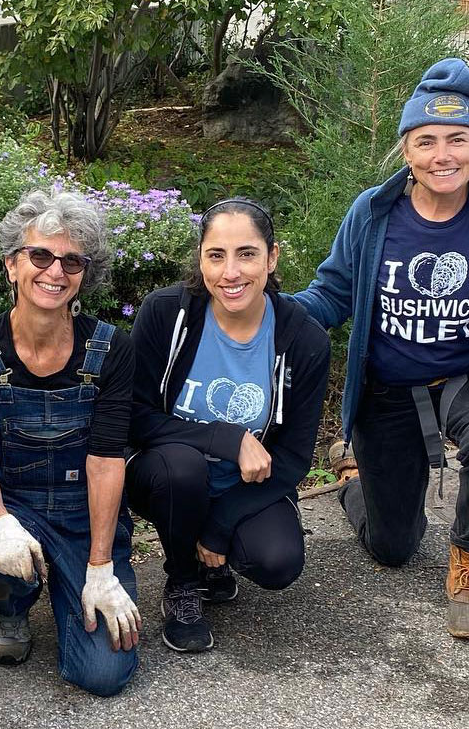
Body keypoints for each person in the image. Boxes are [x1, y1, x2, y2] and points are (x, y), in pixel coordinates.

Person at [292, 58, 469, 640]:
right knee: (392, 547)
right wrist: (265, 311)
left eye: (457, 138)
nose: (442, 154)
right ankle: (355, 480)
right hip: (387, 388)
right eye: (426, 141)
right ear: (407, 151)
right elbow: (331, 294)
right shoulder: (373, 214)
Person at [0, 188, 142, 695]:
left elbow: (105, 459)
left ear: (84, 277)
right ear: (13, 265)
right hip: (14, 505)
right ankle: (10, 607)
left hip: (85, 513)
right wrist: (0, 522)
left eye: (71, 261)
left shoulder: (112, 350)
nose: (55, 271)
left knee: (104, 674)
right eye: (40, 255)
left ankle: (76, 581)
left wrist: (100, 567)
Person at [126, 198, 331, 652]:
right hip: (163, 475)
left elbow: (294, 456)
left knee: (278, 562)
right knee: (184, 467)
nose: (230, 272)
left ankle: (210, 560)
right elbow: (135, 418)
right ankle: (182, 582)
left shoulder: (303, 339)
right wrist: (226, 437)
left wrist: (219, 528)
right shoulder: (166, 314)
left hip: (243, 484)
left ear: (272, 257)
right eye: (216, 255)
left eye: (247, 254)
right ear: (200, 259)